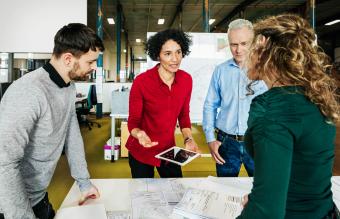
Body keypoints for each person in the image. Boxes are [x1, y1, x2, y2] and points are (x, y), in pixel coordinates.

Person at [237, 14, 339, 218]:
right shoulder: (315, 97)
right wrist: (262, 197)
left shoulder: (271, 109)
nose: (244, 53)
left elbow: (267, 213)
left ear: (263, 47)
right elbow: (303, 171)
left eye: (249, 45)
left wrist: (260, 204)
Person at [0, 23, 105, 219]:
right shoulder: (28, 91)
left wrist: (84, 182)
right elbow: (4, 162)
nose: (93, 68)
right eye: (90, 62)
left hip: (38, 197)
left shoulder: (68, 87)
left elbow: (72, 134)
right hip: (10, 206)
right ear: (68, 59)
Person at [126, 29, 198, 178]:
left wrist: (188, 138)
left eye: (178, 52)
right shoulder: (142, 82)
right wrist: (139, 134)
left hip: (168, 150)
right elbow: (133, 122)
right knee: (144, 195)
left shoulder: (186, 80)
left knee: (176, 193)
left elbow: (184, 115)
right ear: (158, 55)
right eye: (168, 54)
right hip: (141, 151)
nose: (175, 59)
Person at [202, 19, 267, 177]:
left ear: (254, 43)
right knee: (224, 190)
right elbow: (210, 106)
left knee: (263, 192)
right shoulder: (220, 71)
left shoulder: (266, 70)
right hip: (226, 142)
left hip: (258, 141)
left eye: (244, 43)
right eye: (234, 44)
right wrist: (210, 138)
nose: (238, 50)